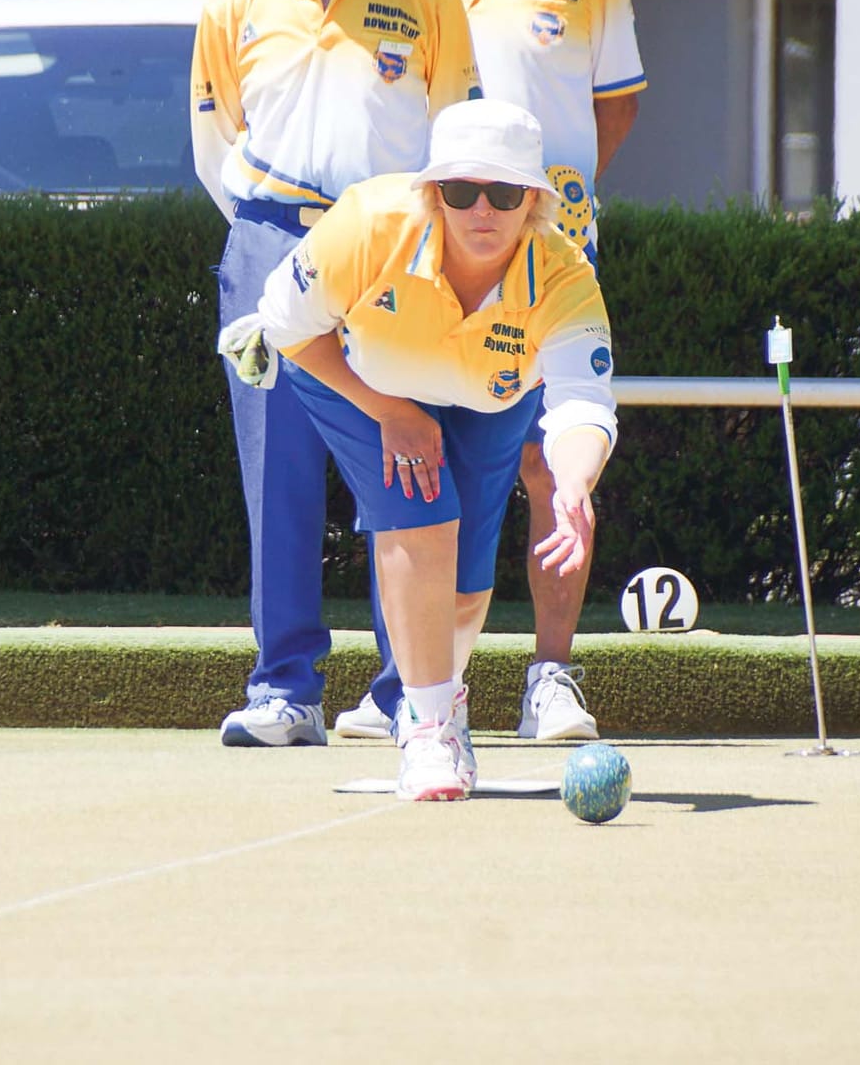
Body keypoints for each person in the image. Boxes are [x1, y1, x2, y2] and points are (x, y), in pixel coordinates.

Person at [343, 0, 644, 743]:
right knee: (422, 465)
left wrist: (526, 211)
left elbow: (615, 106)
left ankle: (549, 677)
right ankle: (414, 687)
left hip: (548, 256)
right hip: (428, 262)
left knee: (548, 467)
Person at [193, 0, 479, 747]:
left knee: (401, 458)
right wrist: (278, 237)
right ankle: (286, 687)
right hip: (272, 239)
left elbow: (459, 137)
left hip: (394, 249)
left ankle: (408, 692)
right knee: (277, 472)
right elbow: (214, 145)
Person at [231, 99, 618, 798]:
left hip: (491, 399)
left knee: (467, 588)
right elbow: (287, 327)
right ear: (433, 191)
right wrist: (388, 412)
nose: (482, 210)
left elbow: (581, 403)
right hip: (355, 378)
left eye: (503, 193)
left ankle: (431, 693)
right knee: (424, 512)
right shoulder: (366, 225)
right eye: (461, 190)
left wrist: (573, 484)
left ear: (532, 201)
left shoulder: (565, 274)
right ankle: (430, 731)